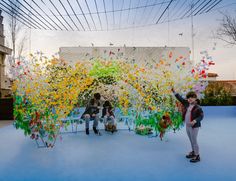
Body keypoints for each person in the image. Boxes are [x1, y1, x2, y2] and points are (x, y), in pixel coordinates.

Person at [171, 88, 204, 163]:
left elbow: (201, 116)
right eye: (188, 98)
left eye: (191, 98)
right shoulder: (186, 103)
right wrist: (174, 92)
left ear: (195, 98)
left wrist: (195, 121)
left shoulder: (198, 107)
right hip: (187, 125)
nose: (189, 99)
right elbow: (180, 99)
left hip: (194, 126)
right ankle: (193, 152)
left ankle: (197, 155)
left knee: (194, 140)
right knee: (191, 140)